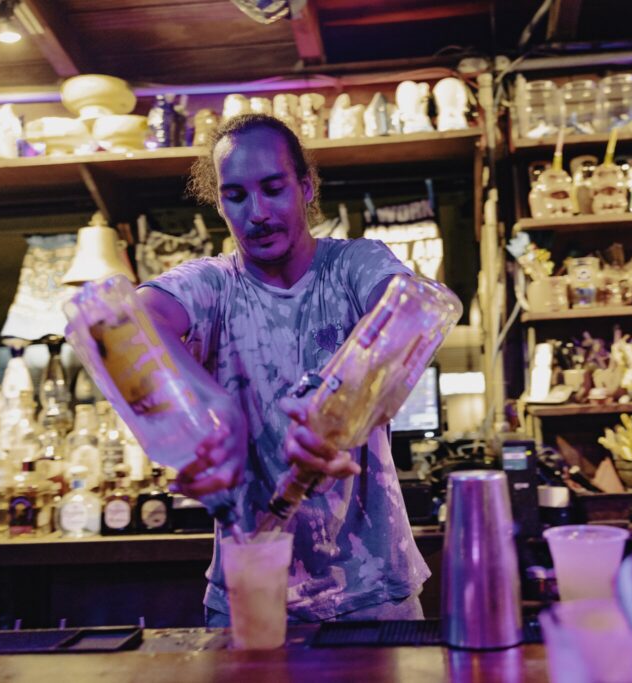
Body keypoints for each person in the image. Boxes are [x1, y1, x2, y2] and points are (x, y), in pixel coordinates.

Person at [137, 113, 435, 625]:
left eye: (273, 188)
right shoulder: (214, 285)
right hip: (250, 600)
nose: (256, 212)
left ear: (305, 186)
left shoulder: (352, 265)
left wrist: (332, 409)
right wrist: (203, 415)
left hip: (373, 595)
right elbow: (134, 318)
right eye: (235, 196)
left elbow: (412, 311)